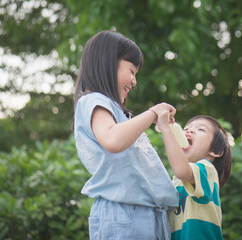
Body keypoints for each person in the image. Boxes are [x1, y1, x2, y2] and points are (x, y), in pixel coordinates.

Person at [73, 30, 178, 240]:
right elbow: (112, 139)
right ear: (108, 63)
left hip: (146, 214)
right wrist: (152, 113)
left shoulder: (118, 114)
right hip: (124, 214)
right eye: (131, 71)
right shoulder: (94, 101)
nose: (134, 81)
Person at [153, 111, 233, 240]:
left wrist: (166, 129)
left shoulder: (207, 170)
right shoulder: (175, 182)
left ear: (216, 150)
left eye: (201, 129)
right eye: (186, 129)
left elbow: (181, 170)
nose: (189, 131)